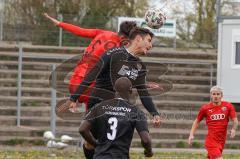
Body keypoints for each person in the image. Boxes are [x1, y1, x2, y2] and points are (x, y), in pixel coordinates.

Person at [44, 13, 137, 110]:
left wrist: (60, 23)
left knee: (94, 114)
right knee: (110, 105)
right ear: (124, 38)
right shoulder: (118, 47)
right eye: (130, 40)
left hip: (75, 81)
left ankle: (75, 102)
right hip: (87, 86)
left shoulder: (102, 33)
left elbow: (80, 31)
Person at [79, 77, 153, 159]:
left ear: (114, 89)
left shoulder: (99, 107)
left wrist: (96, 145)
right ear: (131, 90)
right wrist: (148, 151)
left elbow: (82, 129)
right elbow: (146, 140)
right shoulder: (136, 111)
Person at [188, 86, 238, 159]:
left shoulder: (228, 106)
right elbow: (197, 121)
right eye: (214, 94)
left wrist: (234, 129)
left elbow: (235, 120)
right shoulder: (205, 108)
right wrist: (191, 134)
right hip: (211, 141)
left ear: (222, 95)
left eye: (218, 94)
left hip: (221, 141)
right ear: (211, 95)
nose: (216, 96)